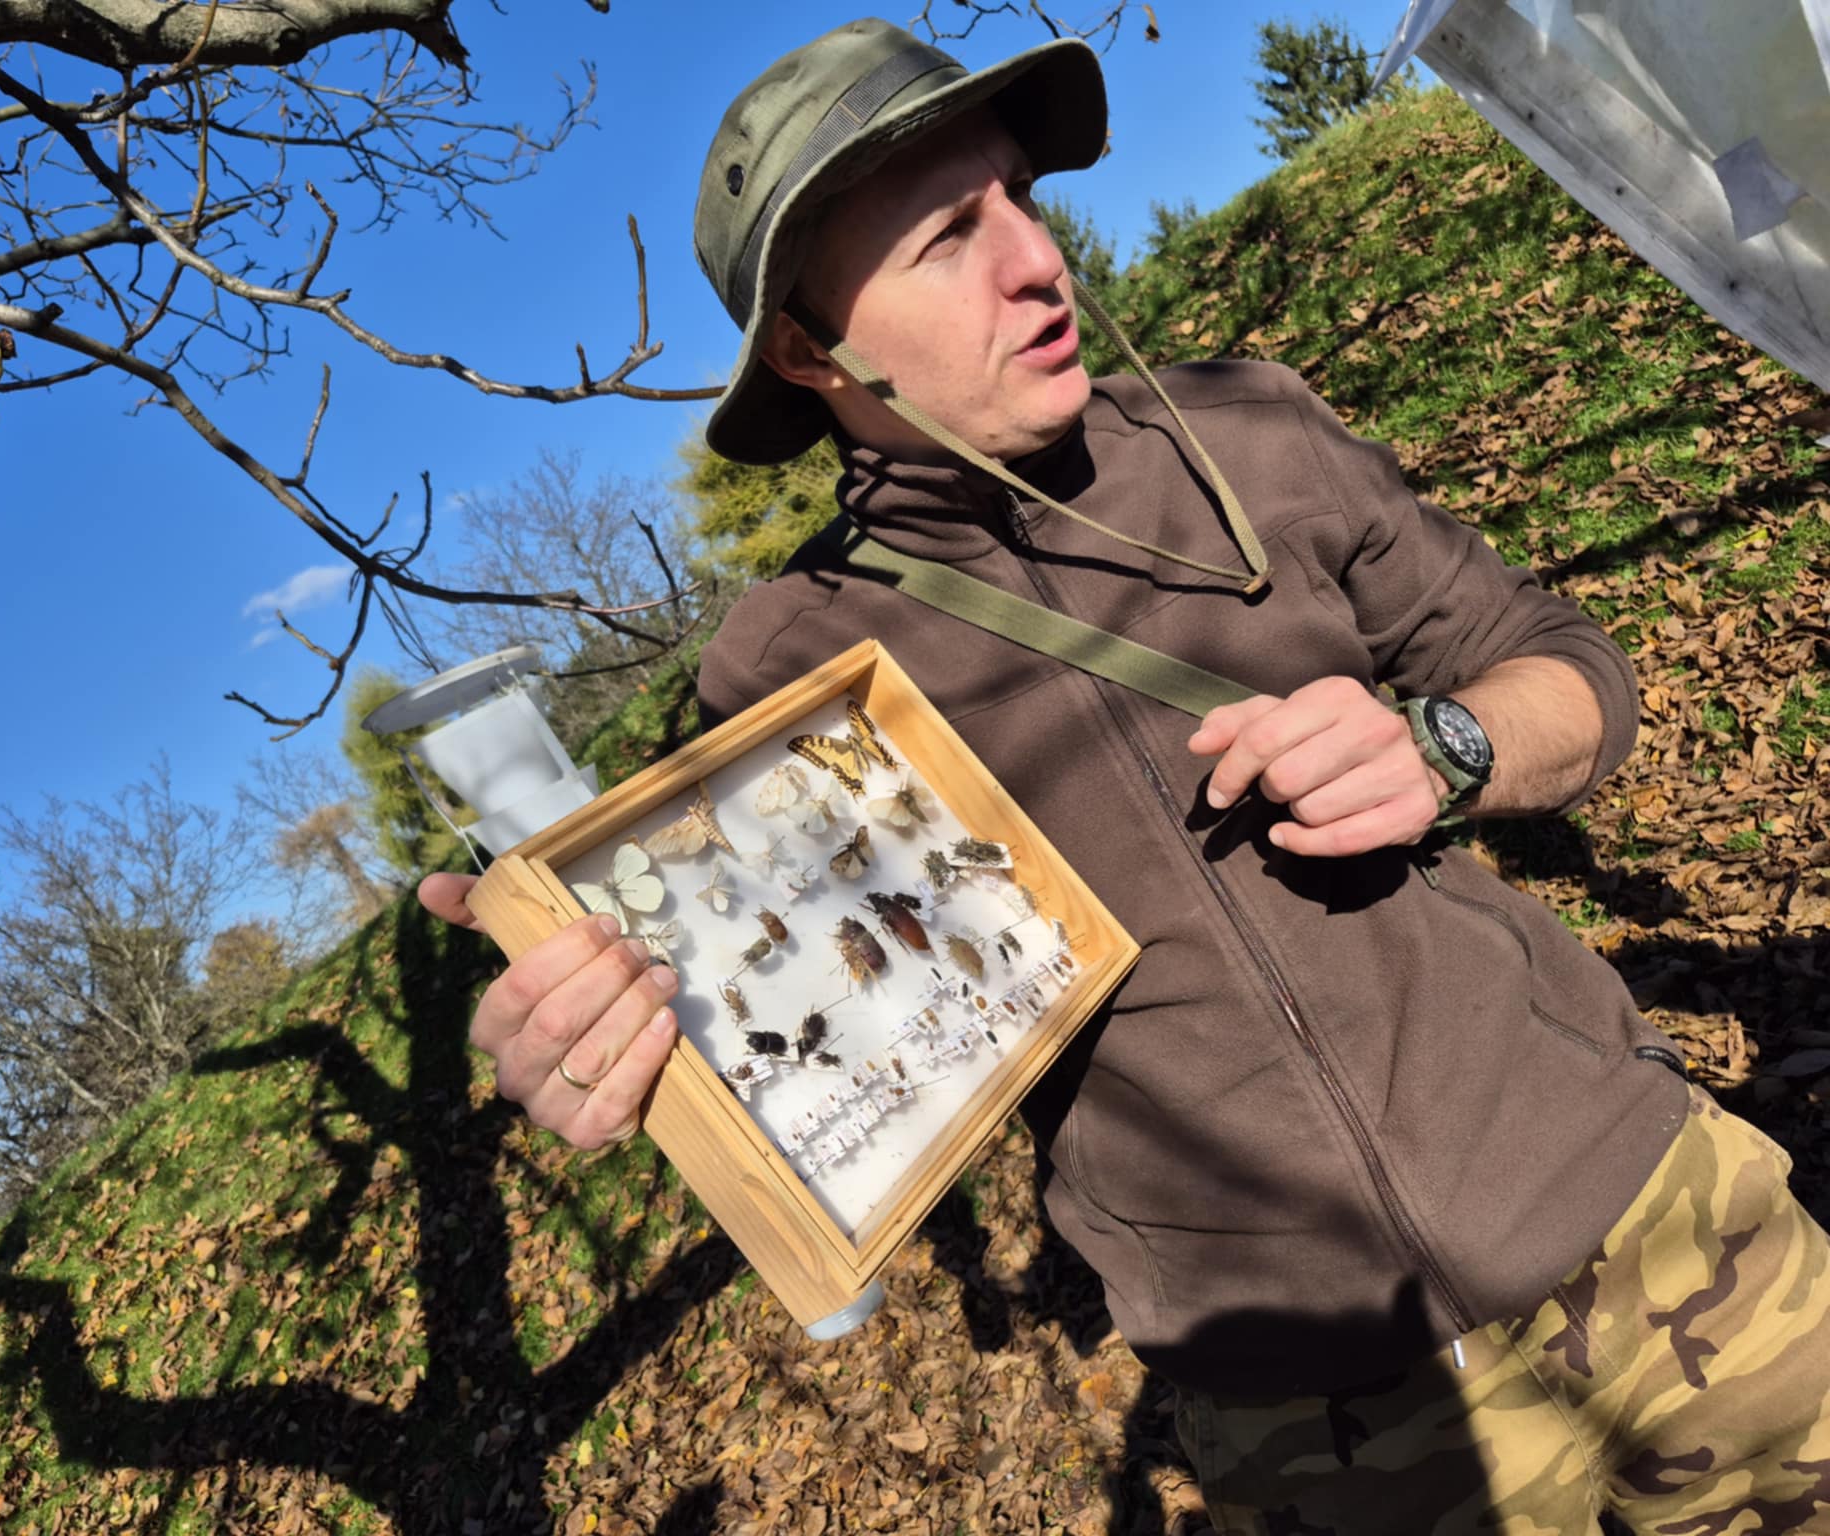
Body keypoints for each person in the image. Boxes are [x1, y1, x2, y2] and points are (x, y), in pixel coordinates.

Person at [418, 19, 1830, 1533]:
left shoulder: (1252, 431)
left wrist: (1450, 746)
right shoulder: (792, 672)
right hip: (1324, 1426)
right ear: (811, 350)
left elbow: (1565, 665)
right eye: (948, 237)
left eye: (1022, 198)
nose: (1041, 260)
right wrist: (622, 1048)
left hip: (1668, 1223)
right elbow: (807, 1039)